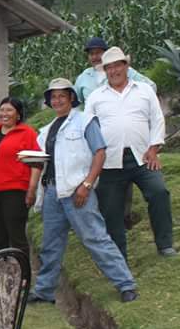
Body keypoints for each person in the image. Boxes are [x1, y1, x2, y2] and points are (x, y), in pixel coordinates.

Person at [29, 79, 138, 305]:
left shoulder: (85, 121)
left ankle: (126, 285)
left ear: (71, 98)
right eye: (53, 97)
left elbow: (99, 153)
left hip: (78, 191)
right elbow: (41, 162)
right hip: (52, 191)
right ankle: (44, 291)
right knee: (50, 243)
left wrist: (87, 184)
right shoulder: (47, 130)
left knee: (95, 238)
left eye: (62, 96)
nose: (57, 100)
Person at [85, 47, 176, 258]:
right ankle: (118, 255)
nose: (114, 71)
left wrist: (154, 149)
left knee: (159, 193)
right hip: (109, 161)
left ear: (126, 66)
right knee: (111, 209)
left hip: (143, 157)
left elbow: (157, 120)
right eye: (109, 67)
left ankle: (165, 245)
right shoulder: (96, 97)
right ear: (104, 70)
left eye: (118, 65)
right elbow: (89, 128)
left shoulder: (144, 90)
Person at [74, 36, 157, 230]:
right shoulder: (83, 78)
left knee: (124, 175)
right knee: (102, 178)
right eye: (91, 54)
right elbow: (76, 103)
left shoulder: (122, 70)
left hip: (125, 136)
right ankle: (103, 218)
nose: (95, 57)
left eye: (98, 53)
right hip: (98, 134)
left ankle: (124, 216)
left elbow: (150, 86)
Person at [0, 98, 41, 262]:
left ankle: (22, 277)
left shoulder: (27, 134)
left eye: (9, 110)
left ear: (18, 115)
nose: (4, 114)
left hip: (15, 190)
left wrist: (31, 189)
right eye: (2, 109)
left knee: (16, 235)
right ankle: (3, 274)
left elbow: (37, 163)